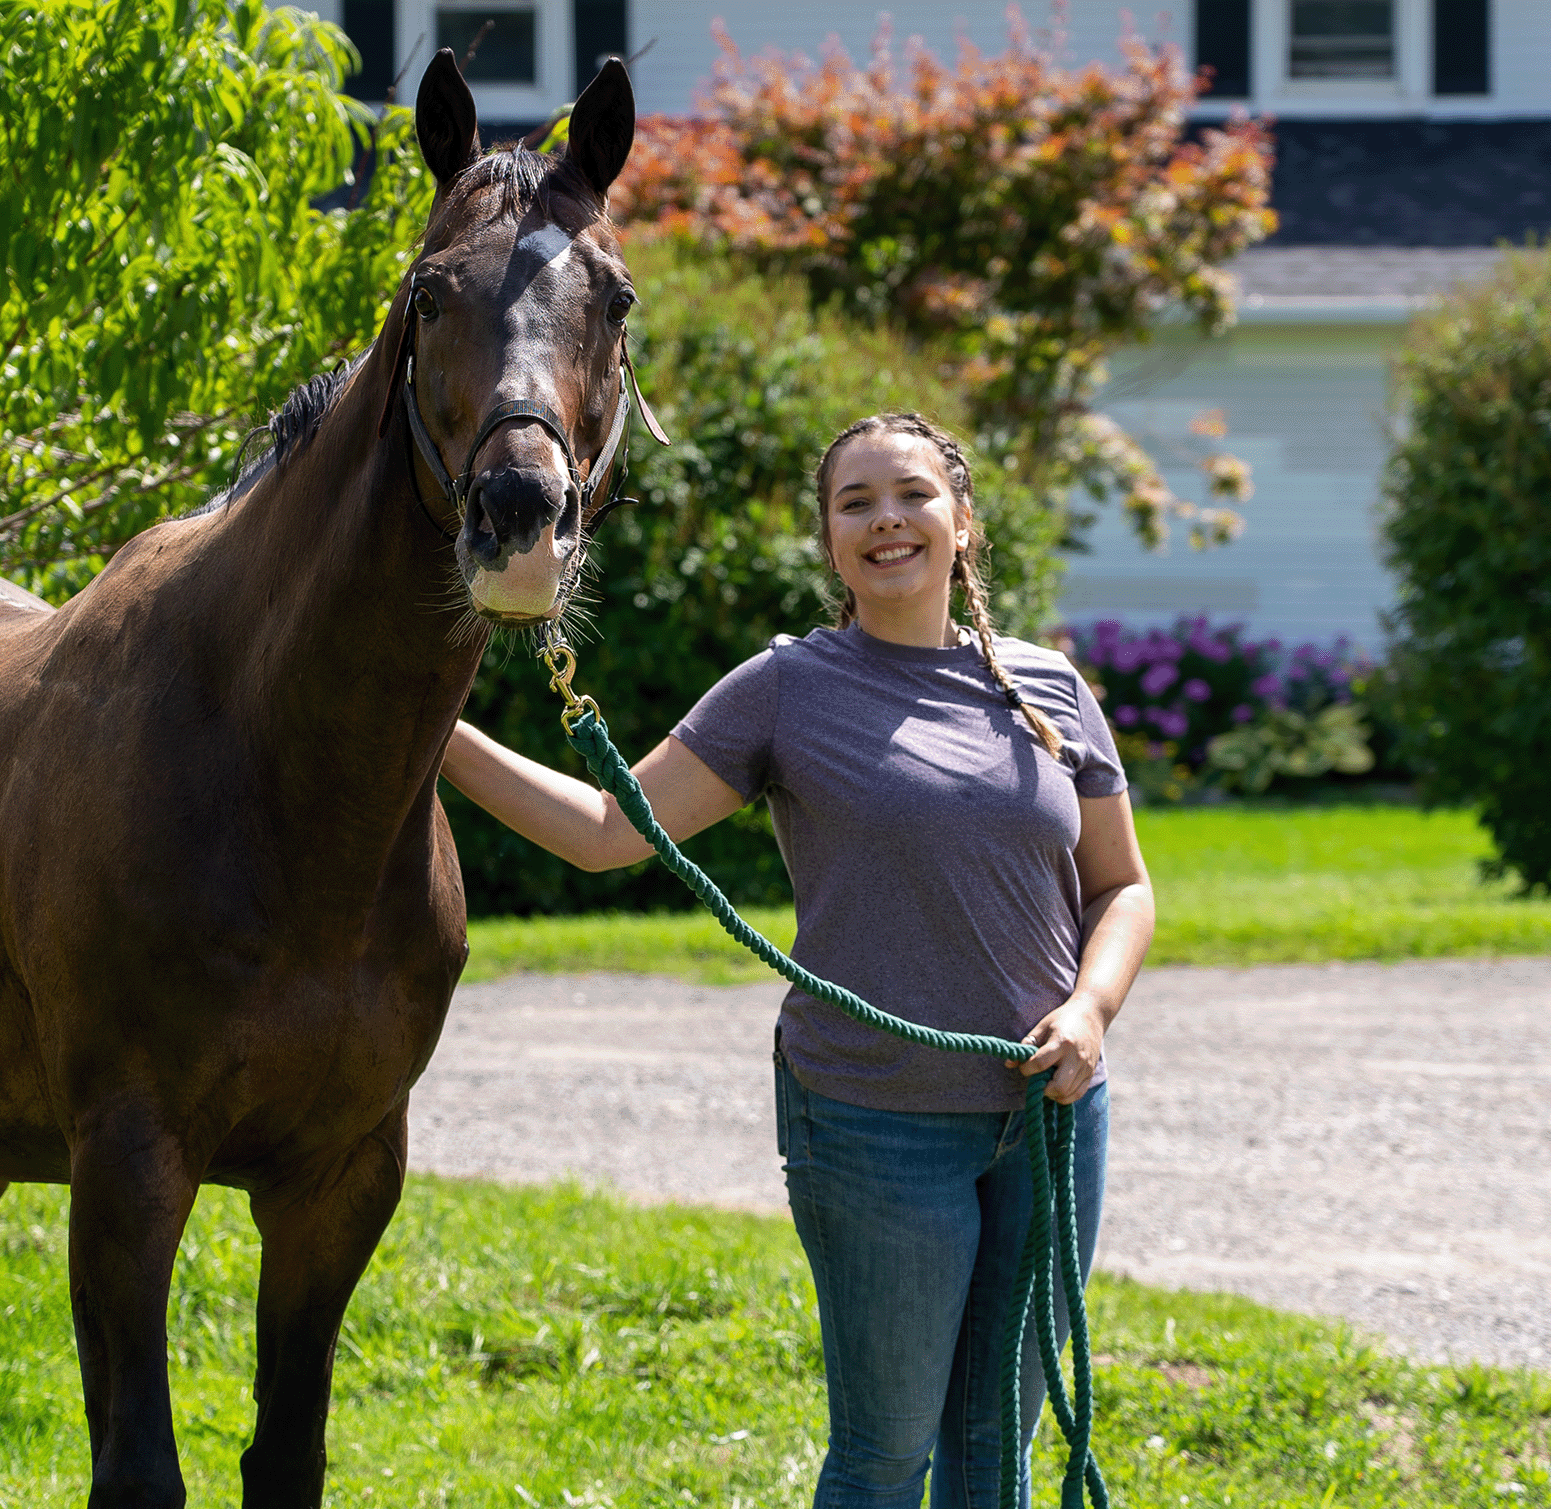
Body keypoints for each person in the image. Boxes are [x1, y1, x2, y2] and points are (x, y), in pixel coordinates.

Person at [441, 412, 1155, 1508]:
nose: (885, 521)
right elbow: (603, 830)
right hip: (873, 1125)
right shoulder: (788, 687)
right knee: (884, 1456)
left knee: (994, 1451)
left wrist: (1092, 1010)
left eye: (911, 494)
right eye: (853, 503)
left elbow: (1119, 887)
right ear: (827, 541)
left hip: (1052, 1118)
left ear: (960, 521)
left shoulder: (1048, 686)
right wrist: (430, 733)